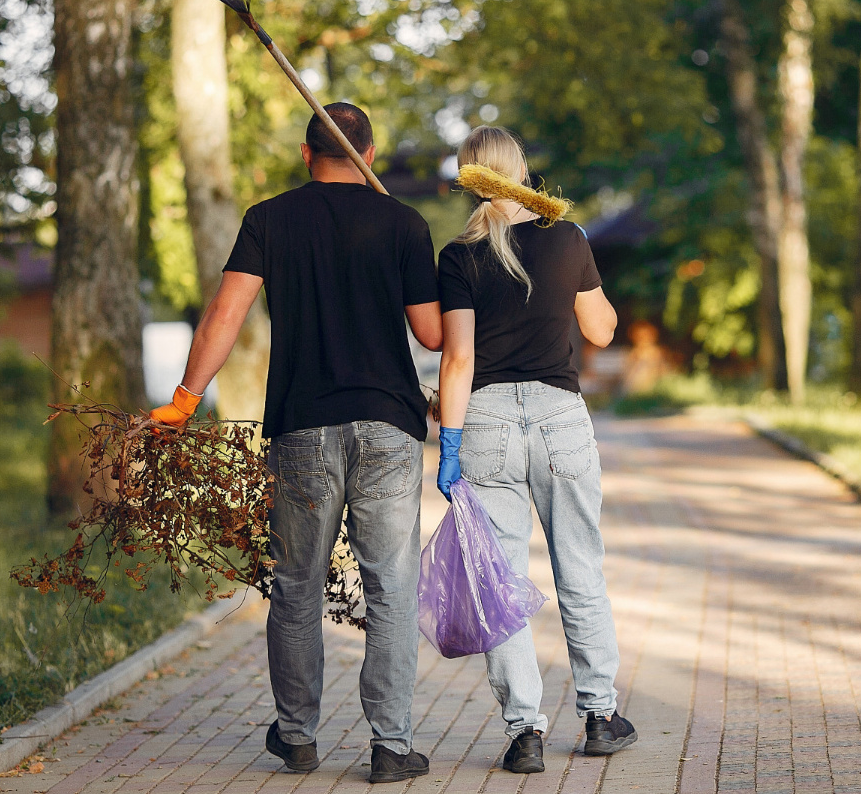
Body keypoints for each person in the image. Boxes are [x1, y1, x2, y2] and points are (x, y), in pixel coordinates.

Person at [148, 103, 441, 784]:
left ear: (307, 156)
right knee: (393, 589)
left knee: (297, 585)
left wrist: (186, 399)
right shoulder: (403, 222)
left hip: (303, 425)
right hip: (389, 425)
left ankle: (298, 737)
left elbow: (226, 311)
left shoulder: (270, 218)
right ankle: (392, 747)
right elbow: (430, 334)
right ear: (369, 155)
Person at [434, 126, 636, 774]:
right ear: (520, 170)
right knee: (581, 568)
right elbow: (601, 329)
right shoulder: (568, 240)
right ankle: (601, 715)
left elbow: (459, 357)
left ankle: (525, 732)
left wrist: (450, 444)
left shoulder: (458, 257)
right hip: (559, 416)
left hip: (487, 419)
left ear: (470, 176)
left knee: (498, 581)